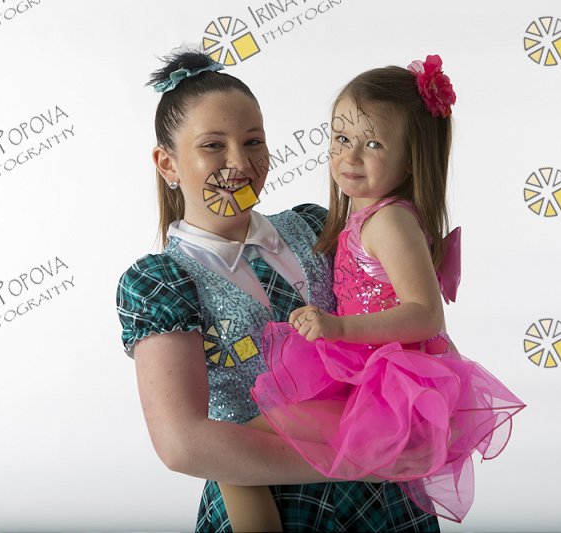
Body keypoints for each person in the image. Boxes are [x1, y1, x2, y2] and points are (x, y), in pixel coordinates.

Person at [115, 49, 440, 532]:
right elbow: (182, 444)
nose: (239, 163)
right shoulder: (161, 282)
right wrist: (353, 460)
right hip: (269, 497)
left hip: (382, 487)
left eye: (253, 141)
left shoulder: (316, 227)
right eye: (212, 145)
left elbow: (389, 313)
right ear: (168, 164)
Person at [250, 55, 527, 523]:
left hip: (389, 384)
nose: (350, 156)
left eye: (373, 143)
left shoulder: (389, 221)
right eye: (342, 139)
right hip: (363, 370)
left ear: (411, 158)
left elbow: (425, 314)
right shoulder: (364, 216)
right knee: (258, 439)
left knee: (249, 438)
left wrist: (338, 328)